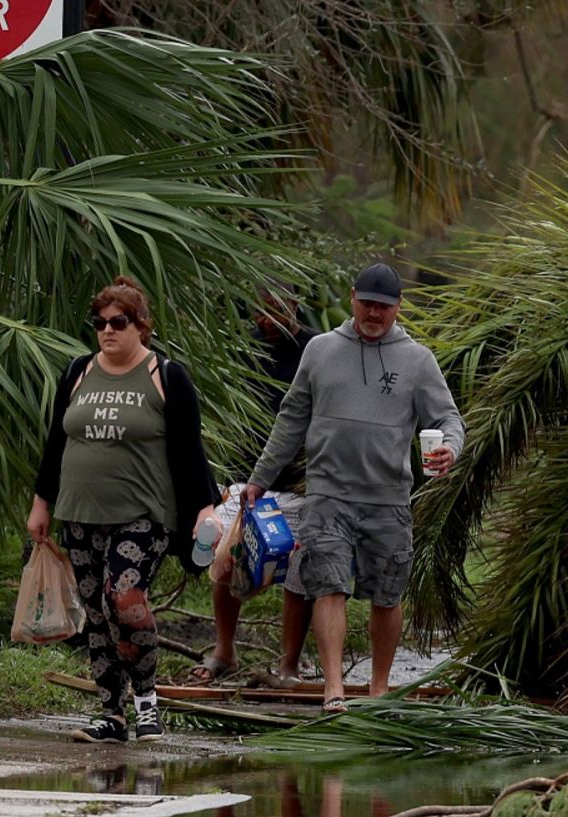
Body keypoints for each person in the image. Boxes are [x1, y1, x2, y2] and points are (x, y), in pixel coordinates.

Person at [244, 262, 463, 712]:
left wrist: (451, 450)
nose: (374, 314)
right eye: (367, 303)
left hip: (388, 498)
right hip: (327, 495)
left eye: (384, 307)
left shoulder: (418, 360)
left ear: (398, 307)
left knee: (387, 593)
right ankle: (334, 690)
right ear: (352, 298)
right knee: (328, 586)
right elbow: (291, 419)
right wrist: (260, 478)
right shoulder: (321, 350)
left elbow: (448, 419)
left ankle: (379, 689)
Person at [28, 275, 219, 743]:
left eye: (119, 322)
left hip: (142, 515)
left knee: (125, 600)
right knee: (97, 613)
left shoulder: (165, 376)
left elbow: (190, 451)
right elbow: (57, 442)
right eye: (100, 323)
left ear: (141, 327)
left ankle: (147, 703)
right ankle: (111, 714)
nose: (108, 331)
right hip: (79, 513)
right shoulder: (77, 371)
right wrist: (41, 504)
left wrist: (204, 509)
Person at [189, 286, 320, 686]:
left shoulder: (315, 349)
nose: (267, 320)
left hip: (298, 480)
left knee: (299, 566)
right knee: (225, 556)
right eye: (260, 311)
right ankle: (224, 650)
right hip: (246, 475)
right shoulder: (246, 347)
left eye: (276, 310)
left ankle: (288, 665)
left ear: (295, 305)